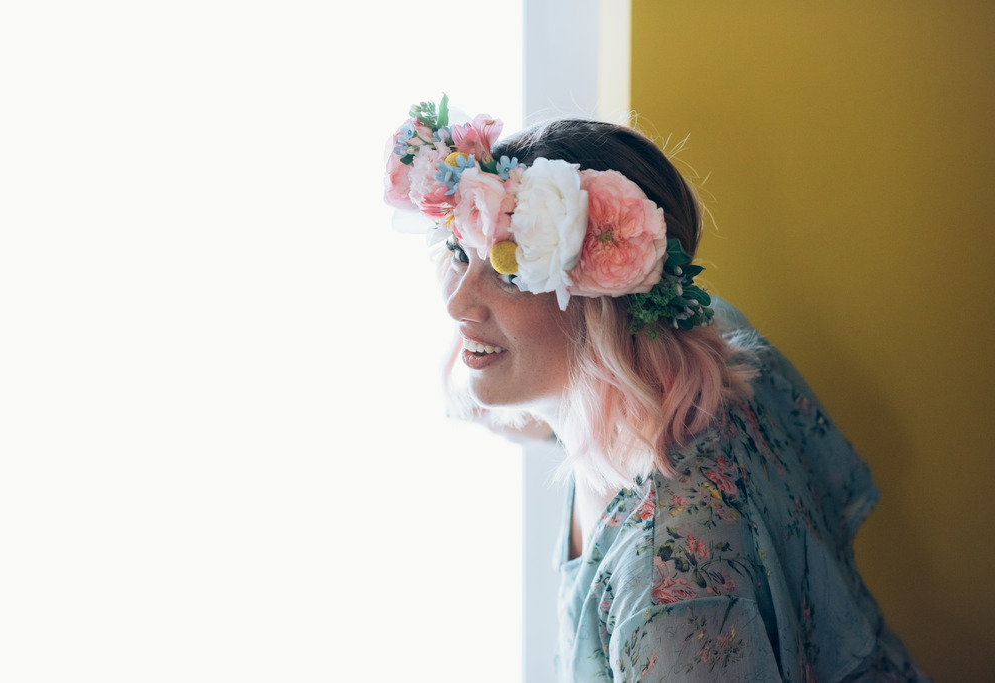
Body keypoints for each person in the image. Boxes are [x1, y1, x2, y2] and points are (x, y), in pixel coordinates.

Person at [384, 97, 932, 682]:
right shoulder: (709, 340)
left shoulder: (671, 595)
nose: (458, 303)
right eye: (460, 251)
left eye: (509, 270)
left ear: (601, 305)